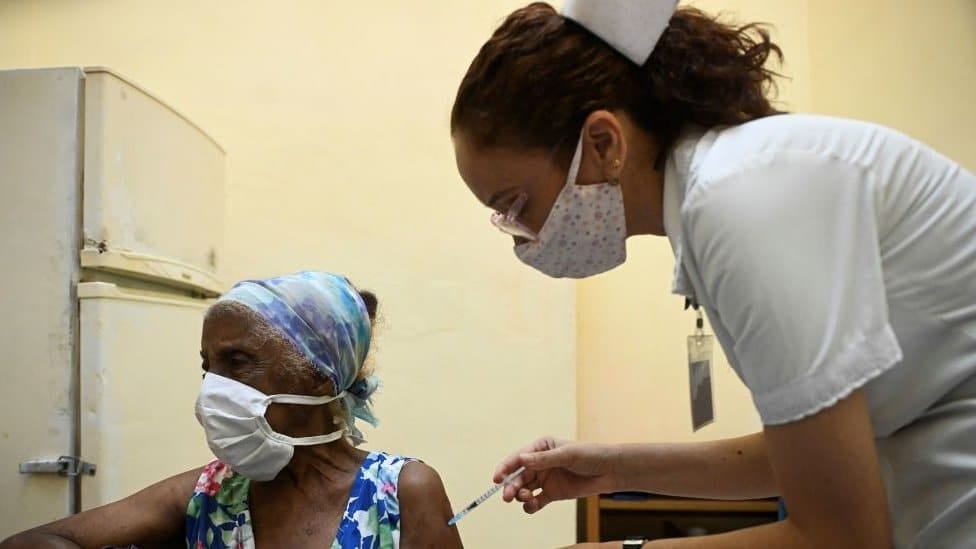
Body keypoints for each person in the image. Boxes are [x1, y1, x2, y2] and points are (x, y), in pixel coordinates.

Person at [451, 1, 976, 548]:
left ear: (604, 143)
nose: (522, 235)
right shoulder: (723, 194)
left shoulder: (739, 201)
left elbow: (840, 536)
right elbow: (811, 457)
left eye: (515, 205)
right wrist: (612, 468)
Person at [0, 272, 463, 549]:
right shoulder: (210, 493)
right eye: (208, 368)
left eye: (237, 363)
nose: (214, 389)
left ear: (321, 375)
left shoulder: (400, 493)